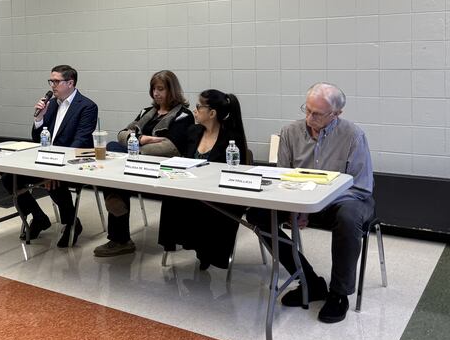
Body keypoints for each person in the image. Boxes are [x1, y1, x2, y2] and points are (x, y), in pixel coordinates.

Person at [246, 82, 374, 324]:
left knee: (348, 219)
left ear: (336, 113)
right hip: (299, 199)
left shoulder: (353, 135)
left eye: (317, 114)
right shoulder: (289, 132)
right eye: (307, 109)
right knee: (258, 215)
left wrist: (313, 203)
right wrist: (297, 207)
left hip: (344, 199)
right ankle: (309, 281)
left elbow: (359, 186)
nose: (309, 118)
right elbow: (282, 177)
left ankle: (339, 294)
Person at [94, 70, 194, 257]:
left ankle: (119, 237)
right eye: (154, 89)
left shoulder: (183, 115)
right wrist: (142, 139)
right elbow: (122, 134)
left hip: (161, 169)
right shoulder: (147, 112)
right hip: (135, 163)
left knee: (116, 178)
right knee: (113, 147)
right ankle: (119, 229)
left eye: (161, 89)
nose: (156, 93)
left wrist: (136, 150)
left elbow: (171, 147)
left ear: (171, 90)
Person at [2, 65, 98, 247]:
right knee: (9, 177)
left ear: (70, 83)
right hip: (46, 161)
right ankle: (38, 217)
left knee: (55, 182)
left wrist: (55, 168)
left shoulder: (87, 106)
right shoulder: (51, 104)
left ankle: (72, 223)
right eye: (51, 81)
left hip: (72, 162)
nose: (52, 85)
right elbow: (37, 139)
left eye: (56, 81)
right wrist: (39, 118)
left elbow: (80, 141)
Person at [157, 89, 249, 270]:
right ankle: (180, 243)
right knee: (171, 198)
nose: (195, 110)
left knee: (205, 206)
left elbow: (235, 172)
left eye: (199, 107)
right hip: (193, 187)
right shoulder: (193, 131)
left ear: (212, 113)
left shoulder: (231, 138)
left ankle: (206, 253)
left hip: (220, 194)